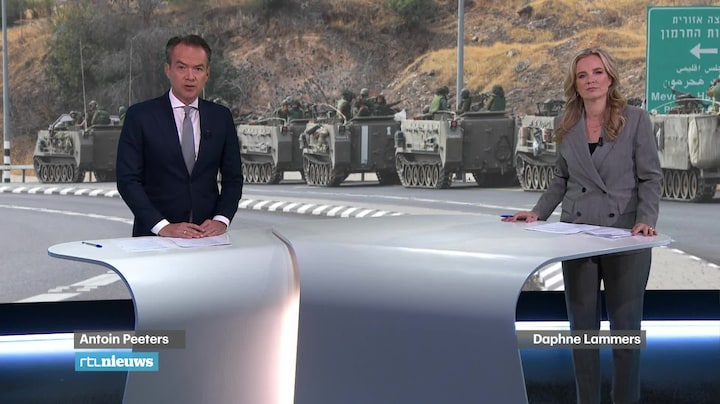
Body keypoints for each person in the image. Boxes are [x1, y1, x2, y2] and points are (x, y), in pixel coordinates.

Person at [502, 47, 662, 404]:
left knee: (625, 335)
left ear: (611, 77)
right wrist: (538, 212)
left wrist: (645, 220)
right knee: (583, 335)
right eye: (582, 75)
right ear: (574, 84)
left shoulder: (636, 119)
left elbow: (651, 178)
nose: (591, 80)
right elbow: (561, 178)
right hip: (577, 237)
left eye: (597, 72)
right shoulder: (567, 123)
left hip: (624, 237)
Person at [116, 34, 243, 238]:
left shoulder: (221, 118)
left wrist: (221, 219)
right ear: (168, 70)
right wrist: (162, 226)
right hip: (154, 239)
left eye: (198, 69)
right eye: (182, 67)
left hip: (207, 238)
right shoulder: (140, 117)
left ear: (207, 73)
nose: (190, 76)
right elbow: (127, 180)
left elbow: (233, 178)